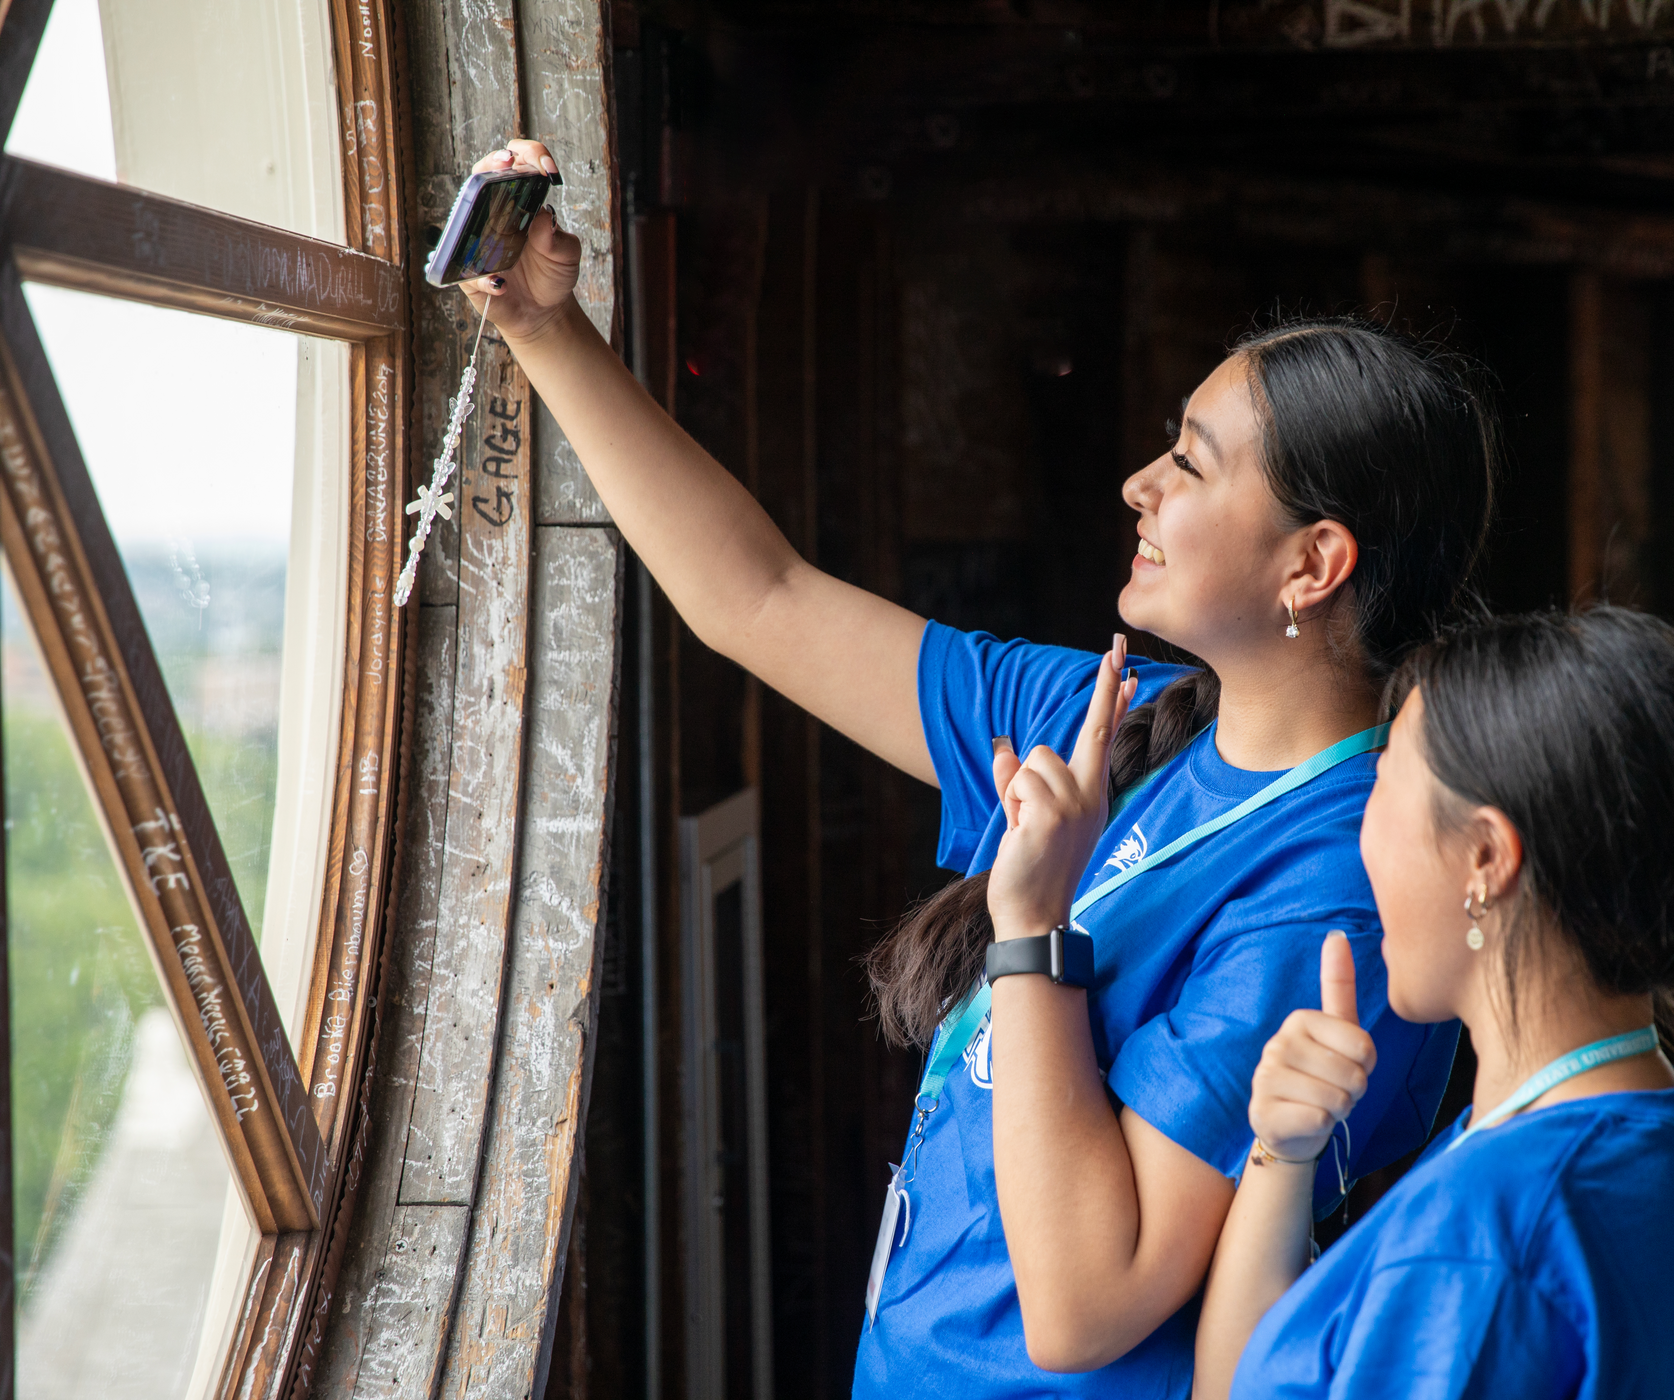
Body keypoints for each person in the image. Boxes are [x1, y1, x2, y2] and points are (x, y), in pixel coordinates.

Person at [464, 140, 1495, 1396]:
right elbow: (763, 598)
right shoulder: (1127, 717)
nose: (1140, 484)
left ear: (1313, 564)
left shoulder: (1337, 885)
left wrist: (1032, 928)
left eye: (1192, 464)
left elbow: (1086, 1305)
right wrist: (545, 329)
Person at [1168, 606, 1674, 1400]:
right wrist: (1281, 1154)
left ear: (1484, 857)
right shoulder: (1638, 1122)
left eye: (1379, 789)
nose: (1359, 837)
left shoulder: (1483, 1237)